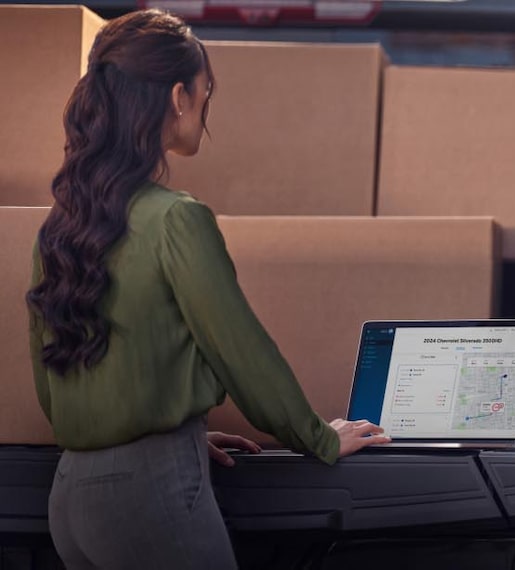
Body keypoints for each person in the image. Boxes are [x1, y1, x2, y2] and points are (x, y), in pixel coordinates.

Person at [25, 10, 390, 569]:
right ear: (177, 97)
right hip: (148, 500)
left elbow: (53, 384)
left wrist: (175, 437)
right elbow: (240, 352)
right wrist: (317, 435)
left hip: (71, 496)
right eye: (206, 93)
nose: (205, 109)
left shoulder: (62, 225)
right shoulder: (177, 219)